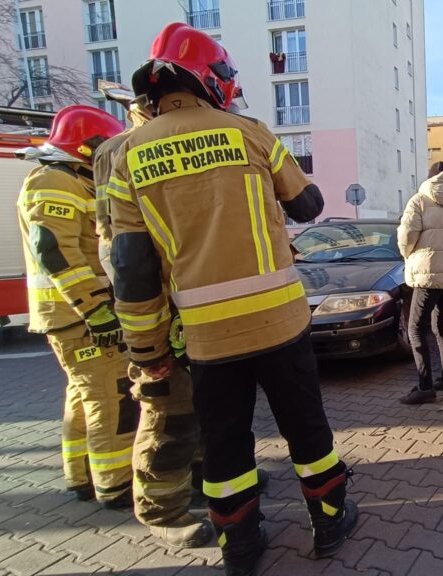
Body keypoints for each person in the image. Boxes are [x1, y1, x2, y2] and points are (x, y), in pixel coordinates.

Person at [107, 23, 354, 576]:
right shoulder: (250, 133)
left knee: (225, 443)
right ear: (210, 77)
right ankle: (330, 521)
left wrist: (147, 351)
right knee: (307, 429)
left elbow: (132, 269)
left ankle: (240, 547)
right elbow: (309, 205)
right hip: (279, 324)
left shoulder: (127, 158)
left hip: (207, 338)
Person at [91, 83, 214, 547]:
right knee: (168, 411)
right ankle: (162, 511)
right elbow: (124, 254)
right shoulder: (122, 150)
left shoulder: (188, 141)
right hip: (157, 309)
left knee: (200, 406)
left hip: (191, 309)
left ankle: (201, 479)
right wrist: (147, 344)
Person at [15, 106, 135, 513]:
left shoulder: (69, 179)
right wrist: (95, 307)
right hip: (80, 316)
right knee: (111, 397)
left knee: (84, 396)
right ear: (89, 148)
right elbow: (54, 249)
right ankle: (116, 483)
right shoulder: (55, 180)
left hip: (70, 316)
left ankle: (81, 476)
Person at [397, 161, 443, 405]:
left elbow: (406, 236)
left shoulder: (419, 200)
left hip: (427, 274)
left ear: (430, 177)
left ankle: (425, 387)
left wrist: (408, 256)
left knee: (416, 329)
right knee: (442, 328)